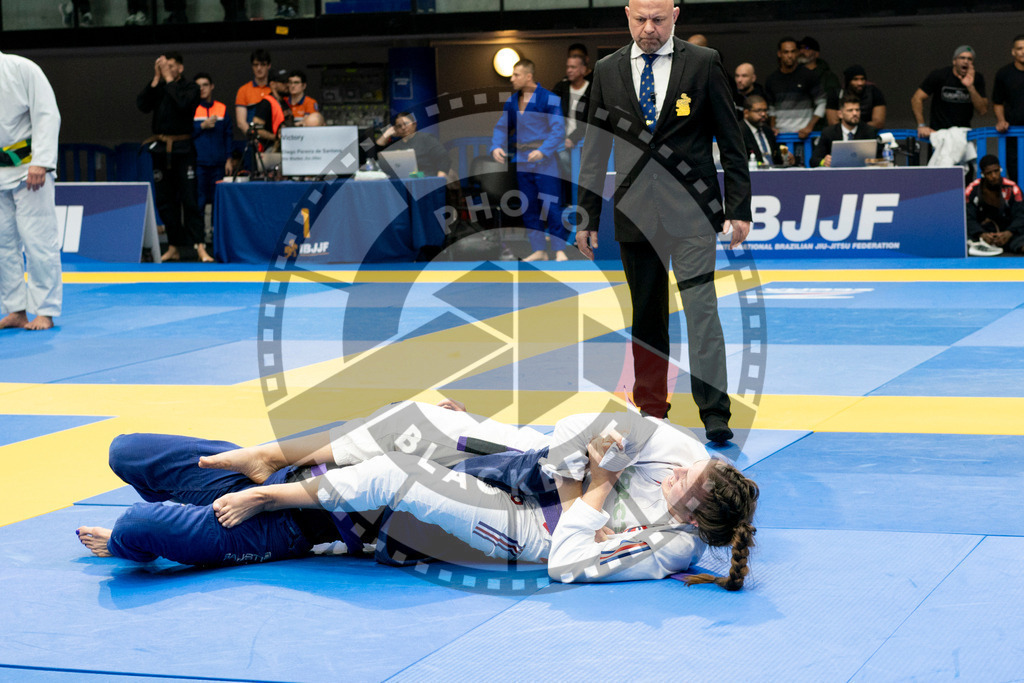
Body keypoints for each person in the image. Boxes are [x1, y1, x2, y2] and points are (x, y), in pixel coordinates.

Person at [79, 400, 759, 590]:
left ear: (692, 514)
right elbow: (591, 431)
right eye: (689, 469)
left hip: (315, 522)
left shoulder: (667, 545)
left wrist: (597, 486)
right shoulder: (684, 460)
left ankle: (247, 502)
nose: (675, 474)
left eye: (686, 486)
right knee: (125, 451)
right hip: (310, 476)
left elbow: (564, 555)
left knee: (140, 525)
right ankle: (267, 461)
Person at [575, 0, 752, 444]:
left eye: (658, 19)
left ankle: (715, 411)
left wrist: (739, 207)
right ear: (627, 16)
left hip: (693, 211)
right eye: (640, 20)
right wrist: (587, 215)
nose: (649, 28)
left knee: (702, 312)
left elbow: (732, 141)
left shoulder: (704, 63)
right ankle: (652, 410)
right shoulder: (608, 70)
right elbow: (594, 149)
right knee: (647, 316)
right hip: (636, 211)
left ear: (675, 15)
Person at [0, 50, 62, 331]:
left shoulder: (21, 68)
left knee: (38, 241)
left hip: (29, 169)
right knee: (3, 245)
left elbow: (47, 114)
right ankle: (15, 309)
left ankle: (45, 311)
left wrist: (42, 161)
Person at [491, 59, 567, 262]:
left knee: (551, 204)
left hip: (545, 161)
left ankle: (559, 249)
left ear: (528, 76)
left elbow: (558, 130)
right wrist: (496, 145)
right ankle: (539, 249)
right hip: (522, 160)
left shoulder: (549, 99)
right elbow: (502, 127)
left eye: (516, 75)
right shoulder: (512, 101)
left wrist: (543, 151)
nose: (512, 79)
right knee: (529, 205)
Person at [138, 52, 208, 263]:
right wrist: (156, 79)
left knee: (190, 199)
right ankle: (174, 246)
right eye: (164, 66)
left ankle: (200, 246)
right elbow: (142, 105)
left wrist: (169, 80)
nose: (166, 69)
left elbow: (183, 104)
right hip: (161, 149)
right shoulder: (159, 87)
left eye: (170, 66)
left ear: (180, 68)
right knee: (165, 201)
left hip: (183, 149)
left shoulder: (191, 88)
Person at [192, 72, 233, 259]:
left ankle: (219, 245)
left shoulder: (222, 108)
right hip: (199, 164)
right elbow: (185, 134)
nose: (202, 88)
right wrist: (201, 126)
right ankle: (199, 244)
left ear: (212, 86)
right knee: (199, 204)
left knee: (219, 204)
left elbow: (228, 135)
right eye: (198, 85)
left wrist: (229, 158)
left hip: (218, 164)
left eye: (205, 85)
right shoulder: (191, 109)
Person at [912, 45, 988, 139]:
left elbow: (983, 110)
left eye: (969, 59)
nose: (966, 61)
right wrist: (921, 125)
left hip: (963, 135)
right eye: (962, 58)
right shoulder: (939, 75)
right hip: (938, 134)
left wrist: (970, 87)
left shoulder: (977, 78)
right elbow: (916, 98)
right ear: (954, 61)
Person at [765, 36, 825, 140]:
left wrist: (809, 127)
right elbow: (771, 108)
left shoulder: (809, 75)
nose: (790, 55)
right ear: (779, 54)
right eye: (786, 52)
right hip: (780, 136)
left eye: (793, 52)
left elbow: (822, 102)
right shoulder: (772, 79)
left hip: (803, 135)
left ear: (797, 53)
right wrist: (773, 127)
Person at [965, 154, 1024, 255]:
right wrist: (981, 233)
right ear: (982, 174)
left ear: (1000, 169)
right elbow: (967, 217)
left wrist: (1009, 232)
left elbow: (1021, 215)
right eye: (989, 173)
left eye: (996, 171)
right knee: (963, 241)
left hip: (1009, 234)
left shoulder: (1012, 188)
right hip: (982, 236)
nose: (994, 176)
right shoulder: (972, 190)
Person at [552, 53, 591, 204]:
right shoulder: (561, 88)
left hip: (584, 143)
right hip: (562, 141)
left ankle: (580, 202)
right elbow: (550, 112)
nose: (569, 70)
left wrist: (573, 138)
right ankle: (568, 202)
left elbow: (591, 121)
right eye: (568, 67)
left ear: (583, 70)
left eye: (573, 67)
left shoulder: (592, 90)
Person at [809, 93, 879, 168]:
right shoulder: (829, 132)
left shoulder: (869, 131)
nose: (855, 113)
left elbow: (880, 159)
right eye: (850, 110)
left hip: (863, 172)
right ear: (840, 114)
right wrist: (824, 162)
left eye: (857, 110)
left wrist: (873, 162)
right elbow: (813, 160)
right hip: (837, 173)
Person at [373, 111, 452, 178]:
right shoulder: (395, 145)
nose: (403, 127)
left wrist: (439, 179)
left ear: (414, 124)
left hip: (426, 179)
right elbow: (378, 154)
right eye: (399, 126)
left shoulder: (426, 138)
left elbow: (443, 158)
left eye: (406, 124)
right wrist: (387, 133)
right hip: (403, 181)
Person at [992, 35, 1024, 182]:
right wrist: (1001, 121)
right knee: (1016, 175)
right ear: (1013, 52)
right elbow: (997, 102)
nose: (1023, 51)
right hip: (1013, 133)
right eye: (1020, 48)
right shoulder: (1004, 73)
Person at [797, 36, 840, 129]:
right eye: (800, 48)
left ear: (816, 54)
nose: (802, 51)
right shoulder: (794, 75)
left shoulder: (828, 77)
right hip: (799, 126)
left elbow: (832, 102)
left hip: (822, 127)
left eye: (807, 48)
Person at [825, 65, 887, 130]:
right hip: (841, 134)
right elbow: (833, 123)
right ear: (848, 81)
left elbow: (878, 123)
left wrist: (857, 131)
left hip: (868, 133)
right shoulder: (836, 94)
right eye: (855, 79)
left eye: (862, 79)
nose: (860, 83)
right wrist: (849, 131)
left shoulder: (873, 92)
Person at [741, 94, 793, 167]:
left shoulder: (767, 130)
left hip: (772, 171)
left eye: (765, 110)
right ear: (746, 113)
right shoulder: (739, 131)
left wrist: (786, 157)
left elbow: (775, 156)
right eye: (758, 111)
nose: (763, 114)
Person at [235, 49, 272, 136]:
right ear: (252, 66)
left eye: (263, 64)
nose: (259, 68)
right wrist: (253, 136)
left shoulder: (274, 89)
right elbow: (241, 122)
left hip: (273, 138)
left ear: (269, 66)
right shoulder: (243, 90)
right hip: (252, 138)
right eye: (256, 65)